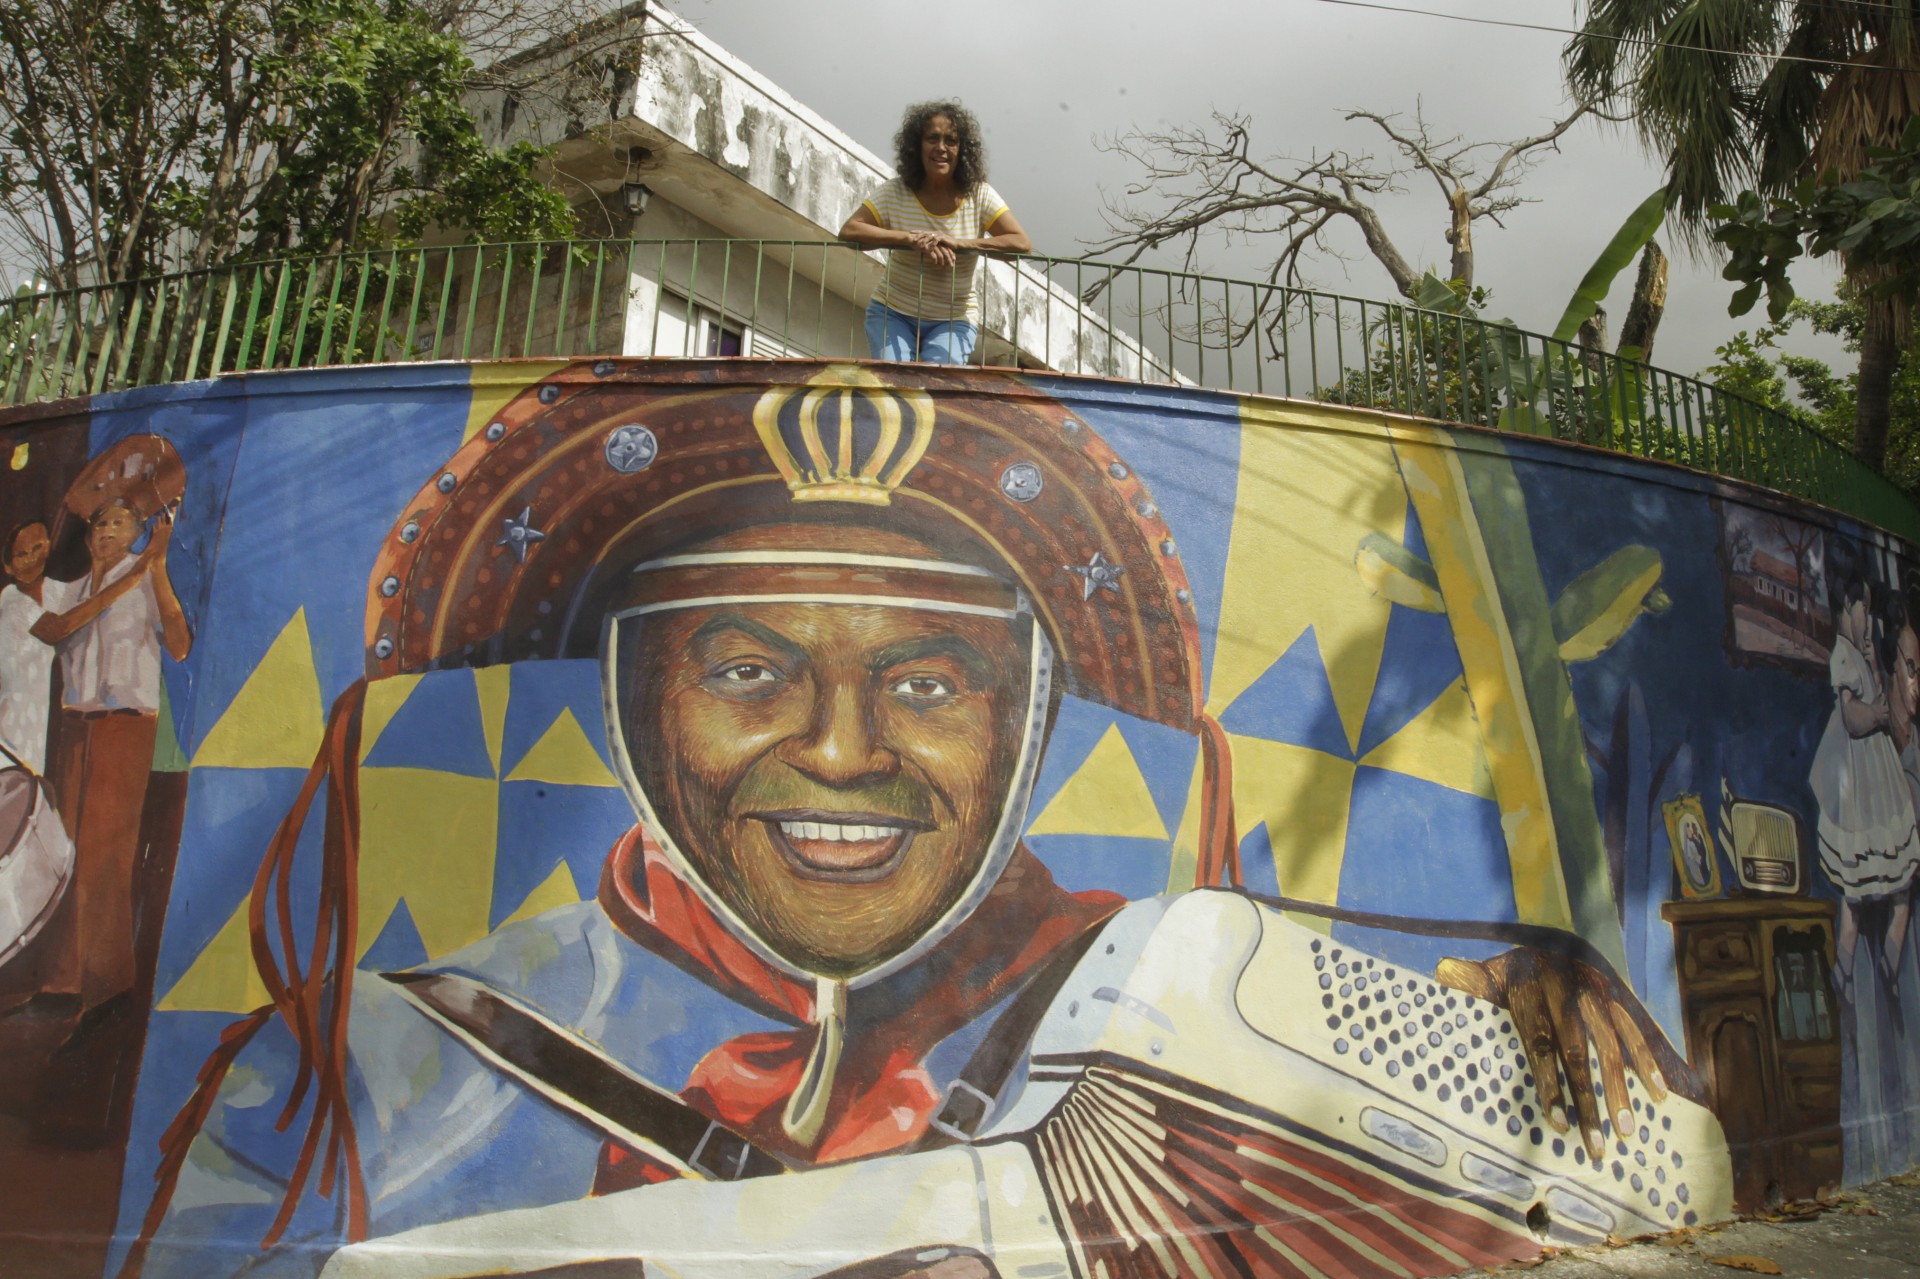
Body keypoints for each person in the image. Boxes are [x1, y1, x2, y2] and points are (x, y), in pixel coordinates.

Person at [127, 363, 1728, 1279]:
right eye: (748, 666)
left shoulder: (1186, 1004)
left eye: (934, 679)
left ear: (1026, 726)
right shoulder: (354, 1064)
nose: (842, 750)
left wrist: (1511, 1039)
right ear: (632, 705)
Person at [28, 496, 192, 1013]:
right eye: (100, 522)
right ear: (87, 535)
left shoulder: (147, 577)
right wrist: (135, 570)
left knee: (108, 850)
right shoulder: (68, 589)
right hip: (75, 723)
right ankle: (64, 978)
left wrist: (156, 568)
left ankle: (108, 982)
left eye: (120, 523)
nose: (107, 530)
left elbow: (180, 644)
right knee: (66, 848)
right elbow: (50, 630)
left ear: (138, 533)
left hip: (125, 724)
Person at [839, 101, 1031, 364]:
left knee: (935, 390)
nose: (941, 148)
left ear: (962, 150)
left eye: (951, 141)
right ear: (916, 146)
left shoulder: (979, 194)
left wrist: (958, 244)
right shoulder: (896, 191)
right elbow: (850, 231)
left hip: (953, 320)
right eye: (932, 138)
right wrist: (910, 239)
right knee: (895, 384)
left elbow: (1021, 243)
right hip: (892, 312)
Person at [1810, 553, 1919, 1000]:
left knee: (1896, 884)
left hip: (1878, 778)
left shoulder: (1859, 653)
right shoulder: (1840, 656)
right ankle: (1844, 971)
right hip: (1866, 784)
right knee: (1858, 895)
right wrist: (1874, 712)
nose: (1867, 618)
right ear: (1846, 609)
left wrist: (1875, 664)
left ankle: (1885, 961)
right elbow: (1853, 716)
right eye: (1863, 610)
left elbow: (1872, 692)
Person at [0, 520, 68, 772]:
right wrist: (131, 577)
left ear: (48, 547)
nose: (30, 559)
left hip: (38, 722)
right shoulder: (11, 600)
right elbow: (57, 628)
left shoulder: (56, 593)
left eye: (37, 547)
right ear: (8, 565)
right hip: (10, 724)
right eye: (21, 554)